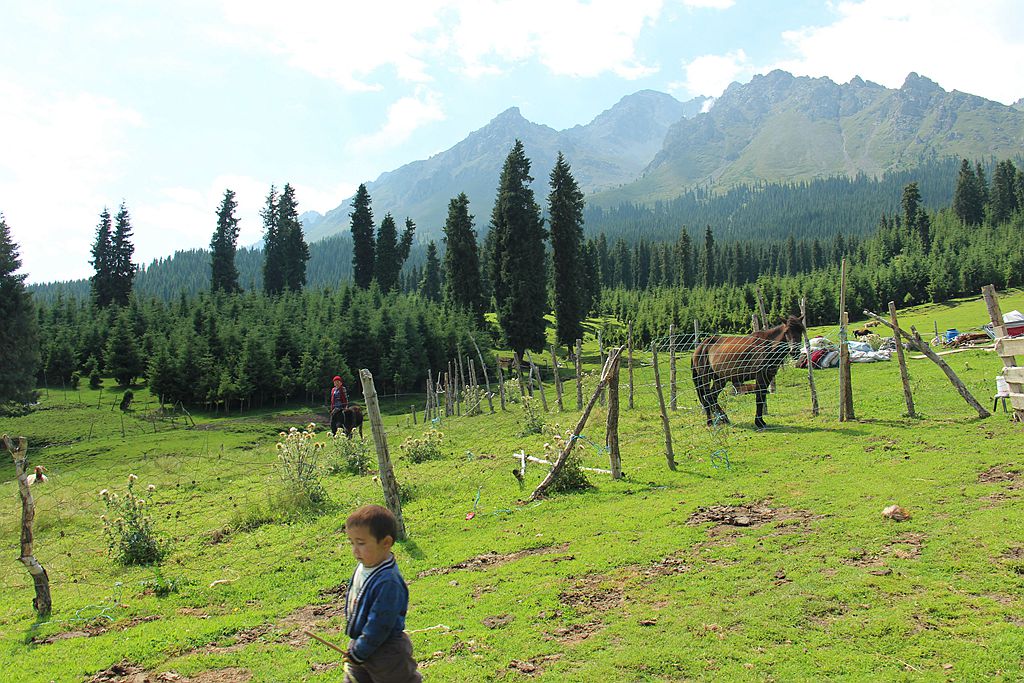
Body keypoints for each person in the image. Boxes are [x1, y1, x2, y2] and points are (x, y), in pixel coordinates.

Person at [342, 505, 421, 682]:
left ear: (386, 543)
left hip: (386, 652)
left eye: (361, 543)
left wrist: (360, 650)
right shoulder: (365, 566)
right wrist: (357, 647)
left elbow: (380, 623)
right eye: (351, 543)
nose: (355, 550)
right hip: (360, 643)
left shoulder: (388, 582)